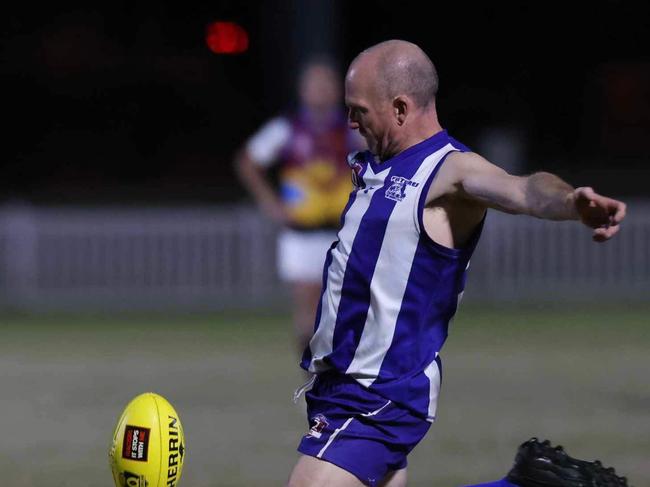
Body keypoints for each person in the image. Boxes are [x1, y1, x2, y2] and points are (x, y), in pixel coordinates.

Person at [286, 40, 626, 487]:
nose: (349, 121)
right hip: (341, 387)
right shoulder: (378, 165)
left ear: (401, 109)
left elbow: (522, 189)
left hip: (377, 392)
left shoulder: (449, 171)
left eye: (359, 110)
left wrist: (569, 202)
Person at [235, 57, 365, 354]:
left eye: (326, 84)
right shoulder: (287, 128)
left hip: (342, 232)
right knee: (308, 309)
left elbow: (381, 158)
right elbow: (248, 161)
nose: (320, 91)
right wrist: (270, 203)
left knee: (344, 307)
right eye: (314, 84)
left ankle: (343, 370)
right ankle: (313, 374)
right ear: (303, 90)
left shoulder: (352, 128)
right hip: (300, 231)